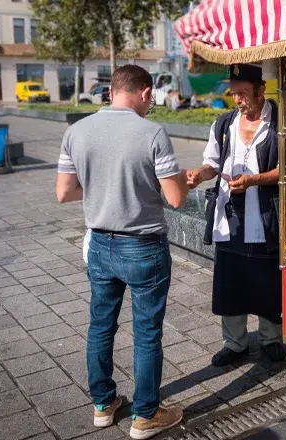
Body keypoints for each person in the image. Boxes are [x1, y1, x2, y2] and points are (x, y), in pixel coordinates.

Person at [56, 64, 189, 439]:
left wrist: (103, 190)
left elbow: (64, 192)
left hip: (99, 244)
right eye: (151, 100)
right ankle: (145, 415)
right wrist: (180, 179)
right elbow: (175, 198)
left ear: (112, 90)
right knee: (146, 333)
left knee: (101, 325)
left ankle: (103, 404)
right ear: (145, 92)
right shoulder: (152, 133)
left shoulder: (76, 131)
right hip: (143, 247)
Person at [187, 63, 286, 367]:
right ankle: (235, 343)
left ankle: (270, 339)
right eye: (234, 93)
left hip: (266, 215)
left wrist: (253, 180)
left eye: (243, 93)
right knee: (231, 281)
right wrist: (200, 174)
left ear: (261, 90)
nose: (237, 100)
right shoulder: (223, 124)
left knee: (268, 280)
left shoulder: (283, 123)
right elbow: (212, 162)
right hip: (230, 215)